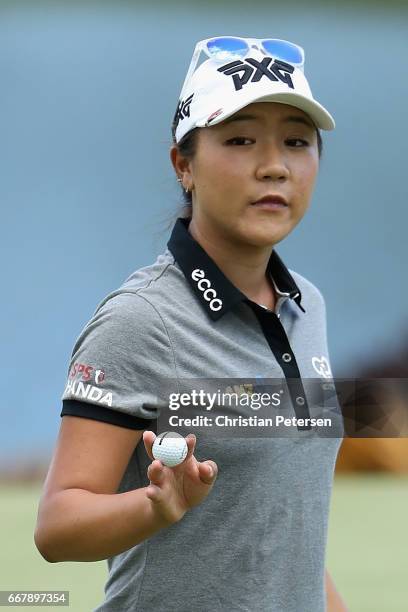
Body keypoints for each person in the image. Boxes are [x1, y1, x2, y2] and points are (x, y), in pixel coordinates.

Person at [34, 36, 348, 611]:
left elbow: (283, 524)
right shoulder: (141, 320)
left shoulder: (308, 308)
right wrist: (157, 506)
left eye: (296, 142)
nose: (274, 165)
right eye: (240, 139)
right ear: (184, 164)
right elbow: (57, 526)